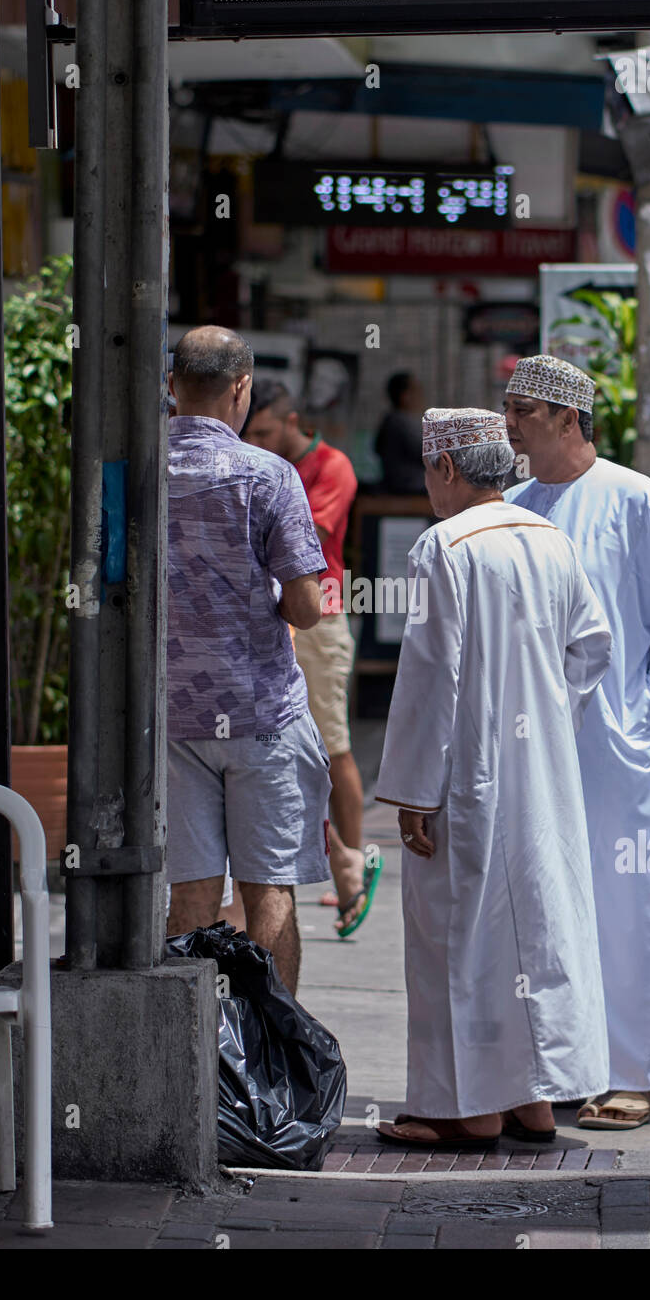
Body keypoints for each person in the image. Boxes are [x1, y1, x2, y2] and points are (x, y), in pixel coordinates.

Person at [373, 408, 614, 1147]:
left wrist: (413, 789)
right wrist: (547, 714)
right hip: (542, 770)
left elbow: (428, 681)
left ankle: (462, 1109)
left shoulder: (443, 547)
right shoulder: (551, 539)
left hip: (468, 774)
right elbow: (593, 647)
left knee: (457, 932)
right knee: (535, 929)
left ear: (446, 467)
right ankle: (532, 1102)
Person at [503, 354, 650, 1130]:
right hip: (534, 743)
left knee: (632, 905)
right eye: (507, 407)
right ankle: (562, 1067)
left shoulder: (639, 501)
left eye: (523, 409)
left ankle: (635, 1074)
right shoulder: (510, 503)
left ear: (568, 418)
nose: (508, 422)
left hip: (624, 745)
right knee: (546, 908)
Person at [163, 326, 331, 995]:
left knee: (191, 893)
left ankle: (190, 1060)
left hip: (174, 716)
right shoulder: (270, 475)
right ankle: (270, 1054)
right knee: (268, 888)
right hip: (261, 713)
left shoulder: (137, 470)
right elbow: (308, 605)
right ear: (241, 389)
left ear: (172, 387)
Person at [241, 380, 376, 936]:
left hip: (318, 618)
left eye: (268, 432)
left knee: (330, 743)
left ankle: (359, 860)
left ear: (292, 420)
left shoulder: (332, 465)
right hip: (267, 616)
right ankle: (340, 861)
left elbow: (307, 537)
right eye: (252, 435)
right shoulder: (269, 465)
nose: (260, 443)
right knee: (285, 753)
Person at [373, 371, 427, 495]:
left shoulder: (390, 419)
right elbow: (425, 452)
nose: (421, 396)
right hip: (409, 486)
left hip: (398, 484)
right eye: (417, 390)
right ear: (405, 396)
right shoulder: (400, 422)